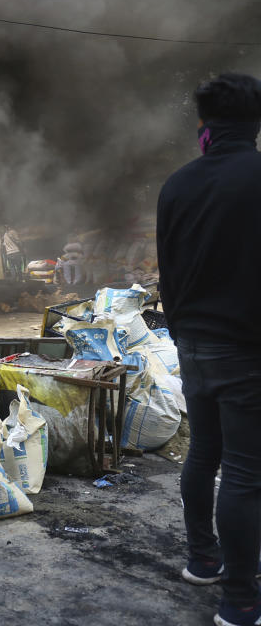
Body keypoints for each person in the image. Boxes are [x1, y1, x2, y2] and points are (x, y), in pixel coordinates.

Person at [157, 73, 261, 626]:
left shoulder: (177, 185)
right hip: (248, 349)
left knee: (204, 454)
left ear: (204, 126)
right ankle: (241, 601)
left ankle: (203, 559)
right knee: (245, 473)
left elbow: (167, 275)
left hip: (193, 344)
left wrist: (179, 333)